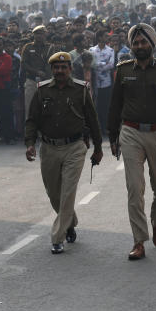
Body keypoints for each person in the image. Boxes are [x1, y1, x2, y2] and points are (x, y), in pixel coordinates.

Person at [108, 23, 156, 261]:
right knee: (135, 188)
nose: (139, 46)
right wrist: (113, 137)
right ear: (131, 46)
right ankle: (139, 240)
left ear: (151, 45)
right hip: (130, 132)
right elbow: (115, 106)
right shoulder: (122, 70)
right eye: (135, 43)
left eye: (143, 42)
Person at [24, 52, 104, 254]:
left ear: (70, 69)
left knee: (67, 193)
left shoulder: (81, 90)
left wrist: (99, 148)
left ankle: (57, 237)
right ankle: (70, 221)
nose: (60, 71)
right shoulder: (42, 90)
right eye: (56, 68)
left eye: (63, 67)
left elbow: (93, 120)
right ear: (52, 70)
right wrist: (30, 143)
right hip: (49, 148)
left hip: (74, 147)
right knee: (54, 195)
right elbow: (32, 119)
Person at [20, 26, 52, 119]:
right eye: (37, 33)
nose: (39, 36)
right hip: (31, 81)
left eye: (41, 33)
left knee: (46, 110)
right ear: (33, 35)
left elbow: (50, 63)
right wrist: (37, 72)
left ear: (45, 34)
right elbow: (23, 64)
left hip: (46, 82)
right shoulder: (28, 47)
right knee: (30, 109)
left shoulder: (49, 47)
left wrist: (45, 75)